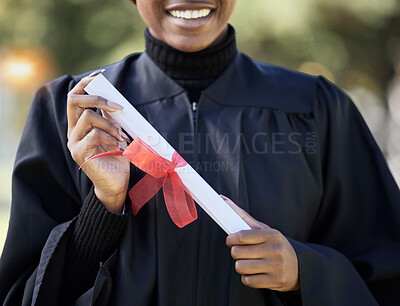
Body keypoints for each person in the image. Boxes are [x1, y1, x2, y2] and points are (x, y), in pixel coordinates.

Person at [1, 0, 399, 305]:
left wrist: (304, 272)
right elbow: (24, 294)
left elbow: (384, 276)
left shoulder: (315, 108)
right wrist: (104, 205)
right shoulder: (76, 111)